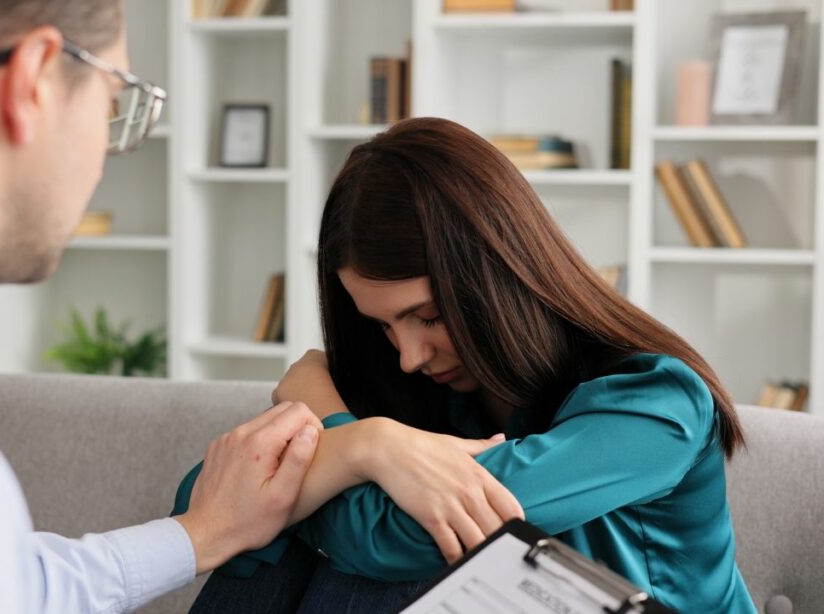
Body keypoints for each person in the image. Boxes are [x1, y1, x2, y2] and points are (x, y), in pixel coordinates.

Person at [0, 1, 328, 612]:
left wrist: (203, 532)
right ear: (35, 80)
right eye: (112, 103)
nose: (106, 155)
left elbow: (3, 581)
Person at [174, 117, 758, 613]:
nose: (407, 356)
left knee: (380, 553)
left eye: (426, 317)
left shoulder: (657, 403)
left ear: (498, 278)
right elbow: (203, 506)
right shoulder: (435, 393)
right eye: (382, 326)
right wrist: (365, 448)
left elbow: (401, 541)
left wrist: (333, 422)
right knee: (288, 546)